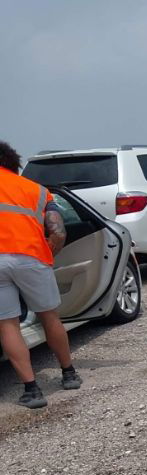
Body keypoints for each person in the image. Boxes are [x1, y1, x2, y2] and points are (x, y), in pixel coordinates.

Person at [0, 140, 81, 409]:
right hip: (32, 257)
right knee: (49, 316)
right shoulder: (36, 190)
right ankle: (68, 373)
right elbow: (58, 231)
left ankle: (32, 390)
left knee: (8, 324)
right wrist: (44, 256)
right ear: (13, 164)